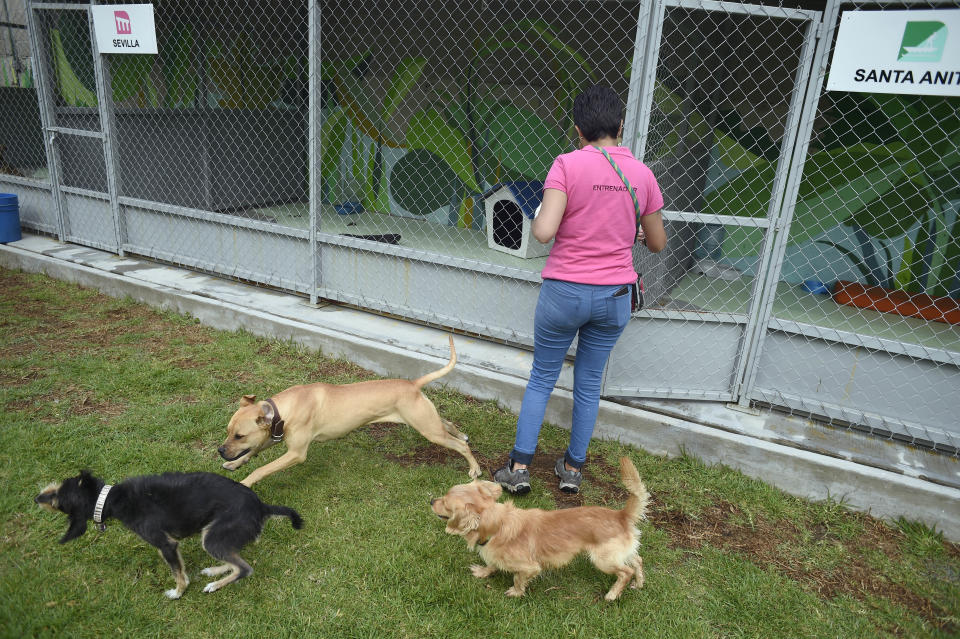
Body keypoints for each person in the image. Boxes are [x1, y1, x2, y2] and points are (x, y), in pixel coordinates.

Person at [493, 84, 667, 495]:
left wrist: (546, 214)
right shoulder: (642, 174)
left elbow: (543, 232)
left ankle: (519, 468)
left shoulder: (566, 165)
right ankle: (572, 470)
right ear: (621, 126)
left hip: (564, 293)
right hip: (614, 298)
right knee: (589, 382)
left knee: (542, 378)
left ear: (578, 130)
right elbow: (657, 243)